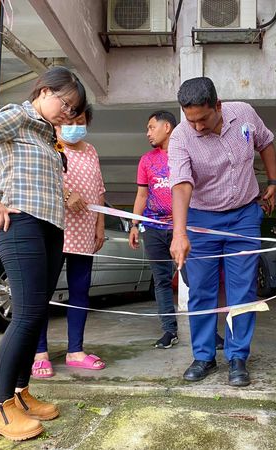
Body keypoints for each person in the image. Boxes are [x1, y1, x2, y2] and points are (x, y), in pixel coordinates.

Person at [0, 66, 84, 441]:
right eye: (65, 104)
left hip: (50, 227)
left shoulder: (48, 135)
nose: (68, 114)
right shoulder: (17, 115)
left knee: (38, 313)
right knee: (26, 314)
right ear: (44, 91)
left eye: (73, 110)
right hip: (21, 223)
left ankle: (20, 393)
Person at [169, 76, 276, 387]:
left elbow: (265, 142)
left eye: (202, 119)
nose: (197, 126)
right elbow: (182, 184)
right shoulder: (181, 137)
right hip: (201, 221)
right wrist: (180, 233)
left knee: (242, 291)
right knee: (201, 291)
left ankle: (237, 357)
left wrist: (273, 182)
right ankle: (204, 356)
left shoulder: (243, 113)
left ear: (217, 105)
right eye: (191, 120)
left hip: (244, 216)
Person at [31, 103, 107, 377]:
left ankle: (75, 351)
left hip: (84, 231)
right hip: (54, 227)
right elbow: (38, 179)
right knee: (42, 292)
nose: (75, 126)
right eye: (70, 121)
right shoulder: (48, 145)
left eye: (81, 121)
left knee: (80, 290)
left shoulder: (91, 150)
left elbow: (99, 190)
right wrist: (65, 195)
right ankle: (39, 352)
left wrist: (100, 225)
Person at [129, 111, 181, 349]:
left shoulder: (184, 155)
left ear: (167, 127)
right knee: (161, 281)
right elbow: (142, 195)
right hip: (153, 228)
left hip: (182, 228)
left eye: (151, 127)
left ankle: (209, 333)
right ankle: (169, 331)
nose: (147, 133)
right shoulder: (146, 160)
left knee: (196, 279)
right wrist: (134, 224)